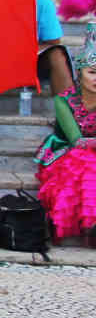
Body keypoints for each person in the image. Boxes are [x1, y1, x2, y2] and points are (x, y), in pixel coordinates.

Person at [36, 39, 96, 243]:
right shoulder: (63, 99)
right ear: (79, 73)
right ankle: (90, 225)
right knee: (84, 160)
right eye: (92, 72)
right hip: (64, 152)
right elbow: (75, 140)